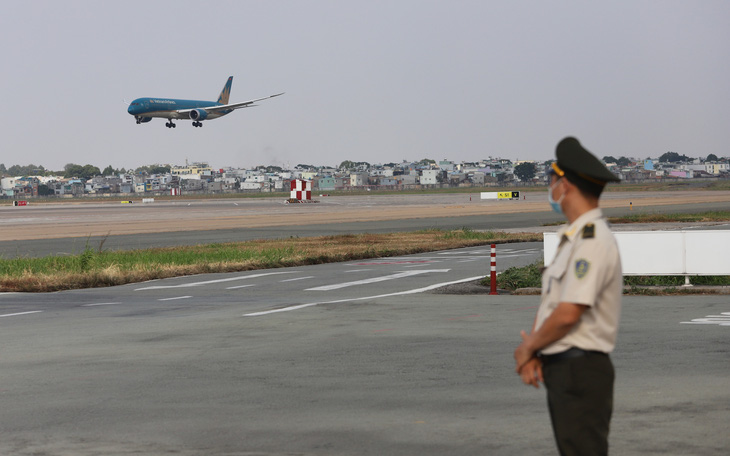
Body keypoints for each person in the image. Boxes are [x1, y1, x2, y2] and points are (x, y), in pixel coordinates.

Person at [514, 137, 623, 456]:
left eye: (551, 179)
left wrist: (528, 348)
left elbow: (568, 312)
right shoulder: (572, 238)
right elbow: (552, 302)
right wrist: (536, 352)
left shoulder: (592, 241)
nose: (549, 188)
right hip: (564, 368)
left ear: (566, 185)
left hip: (581, 370)